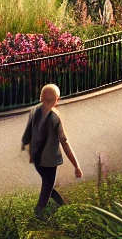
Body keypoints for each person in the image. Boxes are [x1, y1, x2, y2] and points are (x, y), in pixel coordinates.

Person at [21, 83, 82, 217]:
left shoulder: (35, 111)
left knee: (48, 183)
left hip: (37, 159)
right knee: (49, 182)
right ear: (57, 100)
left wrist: (28, 150)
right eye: (46, 100)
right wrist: (76, 166)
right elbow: (64, 142)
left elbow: (27, 135)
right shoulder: (55, 117)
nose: (47, 103)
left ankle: (62, 204)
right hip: (49, 160)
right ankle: (39, 211)